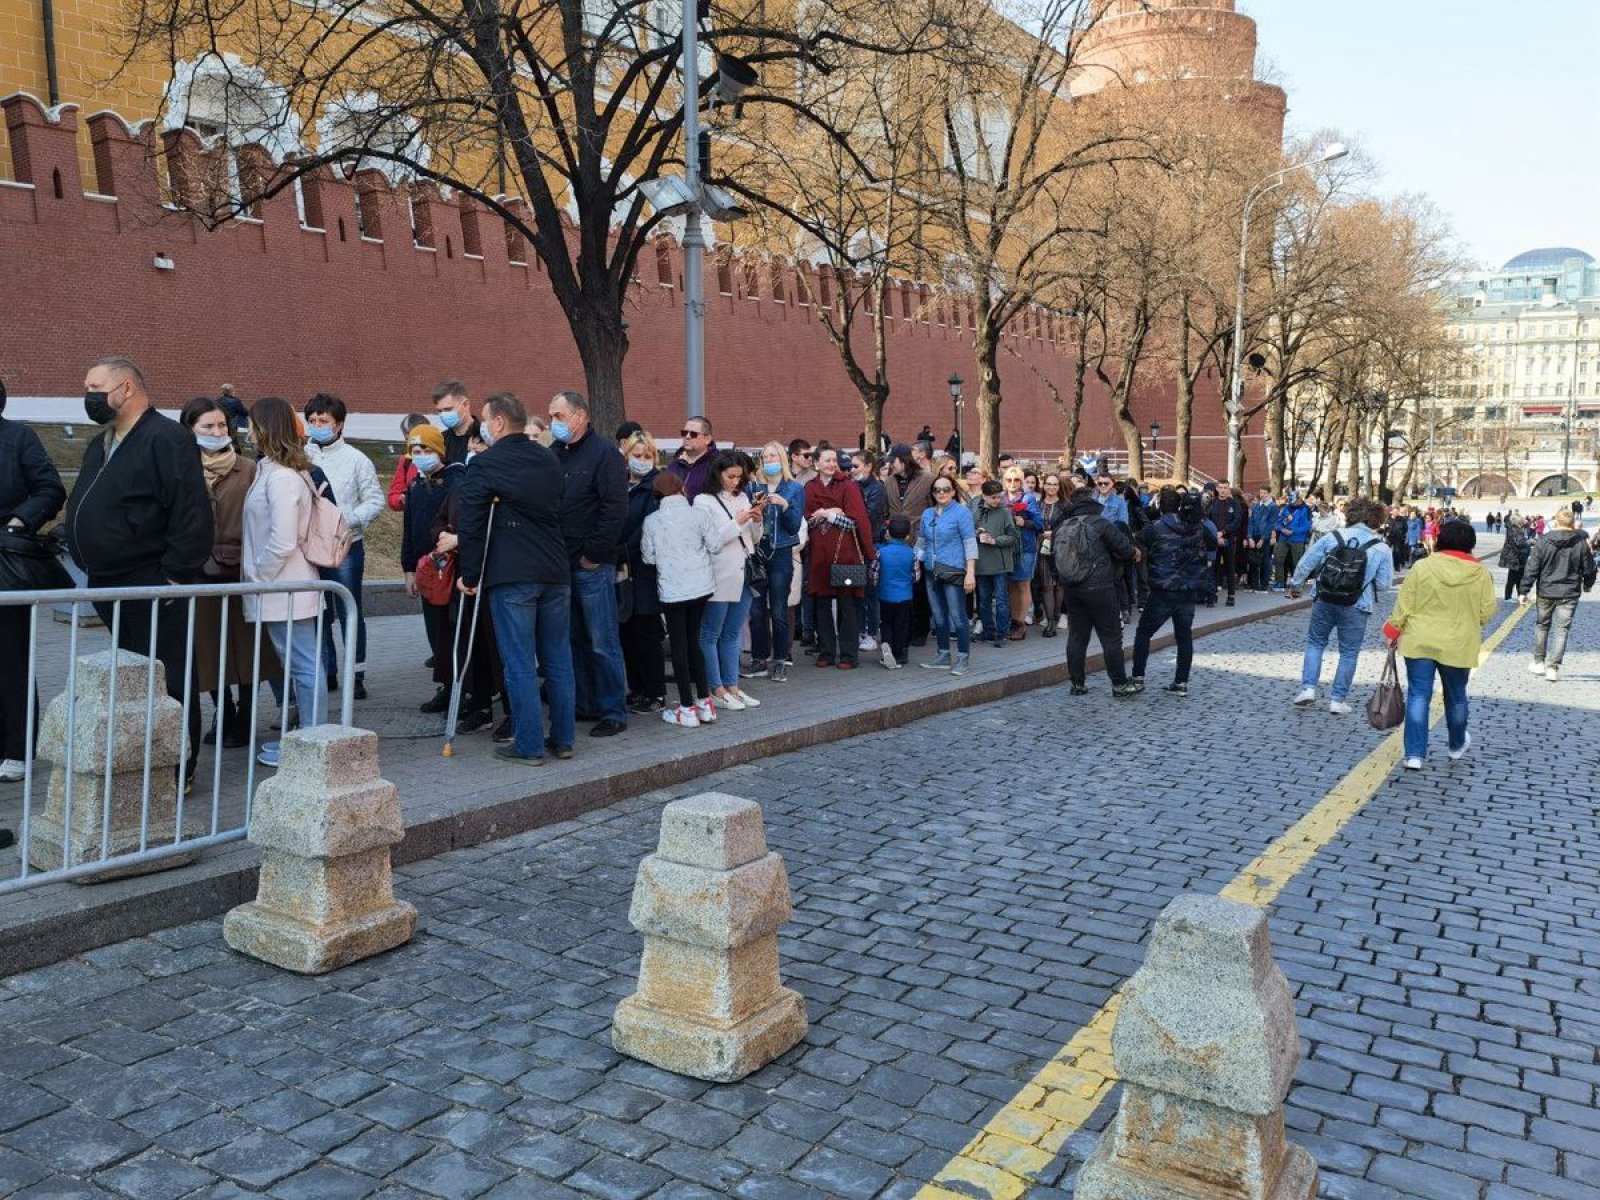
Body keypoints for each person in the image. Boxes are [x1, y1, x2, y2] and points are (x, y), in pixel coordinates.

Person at [65, 356, 212, 777]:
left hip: (152, 584)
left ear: (126, 389)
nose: (89, 397)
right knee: (132, 679)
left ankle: (178, 769)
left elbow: (190, 511)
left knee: (170, 677)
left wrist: (173, 576)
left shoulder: (165, 438)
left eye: (95, 388)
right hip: (109, 584)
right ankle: (141, 760)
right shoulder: (105, 441)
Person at [454, 394, 573, 765]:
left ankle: (529, 744)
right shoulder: (550, 459)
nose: (483, 426)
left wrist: (469, 575)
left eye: (486, 420)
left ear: (500, 423)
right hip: (555, 570)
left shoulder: (486, 464)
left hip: (512, 574)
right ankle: (564, 739)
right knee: (557, 659)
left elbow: (471, 524)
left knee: (519, 662)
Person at [181, 396, 280, 750]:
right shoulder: (182, 468)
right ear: (190, 429)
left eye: (221, 425)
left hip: (243, 571)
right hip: (199, 574)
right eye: (207, 426)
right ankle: (222, 710)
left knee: (250, 649)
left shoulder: (250, 468)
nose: (216, 432)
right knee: (209, 650)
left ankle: (246, 712)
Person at [240, 397, 330, 769]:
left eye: (252, 425)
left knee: (305, 666)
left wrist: (257, 576)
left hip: (283, 587)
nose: (248, 432)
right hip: (283, 586)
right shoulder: (274, 471)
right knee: (301, 665)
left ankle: (314, 745)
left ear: (265, 428)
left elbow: (282, 540)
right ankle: (309, 741)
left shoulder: (281, 478)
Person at [1384, 520, 1496, 771]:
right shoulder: (1480, 573)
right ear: (1470, 544)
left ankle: (1414, 753)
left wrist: (1392, 631)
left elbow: (1405, 604)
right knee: (1456, 697)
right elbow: (1486, 611)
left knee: (1418, 696)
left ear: (1441, 539)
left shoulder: (1422, 566)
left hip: (1420, 640)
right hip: (1458, 643)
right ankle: (1456, 745)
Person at [0, 378, 67, 794]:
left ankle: (16, 749)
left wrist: (18, 521)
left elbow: (50, 488)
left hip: (5, 562)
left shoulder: (18, 437)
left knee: (10, 657)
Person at [549, 390, 629, 736]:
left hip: (592, 564)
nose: (554, 423)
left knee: (602, 639)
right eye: (551, 417)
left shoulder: (605, 455)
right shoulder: (553, 455)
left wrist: (594, 555)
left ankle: (613, 709)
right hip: (559, 564)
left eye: (558, 416)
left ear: (580, 416)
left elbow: (614, 509)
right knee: (573, 639)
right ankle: (585, 702)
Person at [302, 393, 383, 700]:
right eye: (312, 421)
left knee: (350, 610)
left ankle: (356, 672)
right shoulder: (301, 457)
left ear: (339, 424)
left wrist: (345, 522)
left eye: (324, 421)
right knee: (317, 612)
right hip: (310, 549)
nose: (317, 426)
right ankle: (328, 670)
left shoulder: (357, 459)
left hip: (347, 545)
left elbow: (374, 500)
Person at [1288, 498, 1394, 714]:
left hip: (1325, 598)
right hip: (1357, 604)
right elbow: (1383, 585)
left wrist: (1296, 586)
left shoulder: (1332, 536)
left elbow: (1306, 562)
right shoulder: (1381, 548)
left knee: (1316, 643)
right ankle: (1337, 700)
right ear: (1376, 519)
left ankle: (1308, 688)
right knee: (1349, 652)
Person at [642, 473, 722, 728]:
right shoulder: (698, 514)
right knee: (694, 643)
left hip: (673, 591)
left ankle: (686, 708)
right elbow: (716, 545)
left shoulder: (652, 521)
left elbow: (649, 558)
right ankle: (704, 702)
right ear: (682, 489)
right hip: (700, 587)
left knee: (679, 648)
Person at [401, 423, 468, 716]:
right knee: (434, 633)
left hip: (449, 567)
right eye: (415, 451)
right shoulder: (415, 484)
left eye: (425, 449)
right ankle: (446, 685)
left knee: (451, 631)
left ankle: (463, 688)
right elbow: (408, 528)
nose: (420, 455)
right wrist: (407, 569)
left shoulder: (454, 482)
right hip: (425, 569)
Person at [1052, 479, 1139, 697]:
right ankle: (1119, 684)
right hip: (1100, 588)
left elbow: (1054, 561)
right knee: (1111, 637)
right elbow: (1125, 549)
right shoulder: (1101, 524)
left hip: (1072, 589)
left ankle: (1077, 684)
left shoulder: (1062, 526)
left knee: (1077, 637)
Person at [694, 450, 763, 711]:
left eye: (739, 476)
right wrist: (738, 522)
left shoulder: (743, 496)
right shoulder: (703, 501)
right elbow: (710, 540)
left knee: (733, 632)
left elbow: (753, 539)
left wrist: (756, 520)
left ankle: (732, 685)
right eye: (730, 476)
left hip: (744, 572)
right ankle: (716, 688)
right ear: (717, 474)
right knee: (711, 633)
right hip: (719, 573)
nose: (735, 481)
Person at [1131, 488, 1217, 696]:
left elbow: (1137, 540)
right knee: (1184, 637)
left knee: (1143, 633)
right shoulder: (1198, 527)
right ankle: (1181, 683)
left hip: (1163, 591)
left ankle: (1138, 678)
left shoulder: (1156, 528)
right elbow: (1213, 542)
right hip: (1188, 591)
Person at [804, 447, 875, 668]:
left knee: (847, 604)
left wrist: (829, 514)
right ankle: (826, 652)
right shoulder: (810, 487)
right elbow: (806, 520)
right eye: (826, 460)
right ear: (816, 463)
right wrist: (827, 514)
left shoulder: (848, 486)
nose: (831, 464)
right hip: (819, 555)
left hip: (845, 555)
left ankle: (848, 655)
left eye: (834, 460)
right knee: (821, 605)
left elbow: (855, 521)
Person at [747, 442, 805, 682]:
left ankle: (780, 659)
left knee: (779, 609)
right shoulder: (754, 487)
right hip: (758, 553)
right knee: (757, 610)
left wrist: (785, 505)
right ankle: (759, 659)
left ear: (781, 459)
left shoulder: (793, 488)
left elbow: (794, 526)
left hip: (781, 553)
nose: (769, 460)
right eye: (765, 456)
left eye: (773, 456)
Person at [618, 431, 666, 713]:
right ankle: (636, 688)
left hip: (644, 568)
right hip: (621, 568)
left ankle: (655, 691)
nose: (643, 461)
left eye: (647, 456)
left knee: (646, 631)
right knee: (626, 630)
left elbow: (650, 528)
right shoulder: (621, 485)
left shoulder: (655, 488)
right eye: (637, 456)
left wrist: (622, 549)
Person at [1519, 507, 1596, 682]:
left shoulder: (1543, 541)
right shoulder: (1581, 543)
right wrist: (1588, 585)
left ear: (1555, 522)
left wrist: (1524, 590)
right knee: (1562, 629)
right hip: (1569, 592)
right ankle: (1553, 667)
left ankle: (1538, 662)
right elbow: (1590, 569)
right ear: (1572, 524)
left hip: (1546, 590)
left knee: (1542, 626)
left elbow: (1532, 568)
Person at [917, 475, 977, 675]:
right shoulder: (927, 514)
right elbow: (922, 541)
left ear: (953, 491)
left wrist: (970, 574)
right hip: (930, 570)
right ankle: (943, 654)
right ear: (932, 493)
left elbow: (970, 542)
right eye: (937, 490)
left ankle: (962, 657)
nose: (941, 493)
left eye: (945, 489)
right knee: (938, 616)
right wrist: (915, 561)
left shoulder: (962, 513)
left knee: (957, 616)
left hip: (953, 569)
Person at [973, 480, 1019, 649]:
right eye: (993, 498)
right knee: (984, 599)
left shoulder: (1004, 511)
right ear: (984, 496)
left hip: (1000, 562)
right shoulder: (976, 510)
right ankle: (988, 630)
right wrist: (976, 533)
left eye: (999, 497)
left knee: (1001, 600)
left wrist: (995, 540)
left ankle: (1001, 633)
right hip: (982, 562)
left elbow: (1013, 537)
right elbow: (968, 530)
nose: (997, 501)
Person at [851, 449, 889, 652]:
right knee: (856, 588)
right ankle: (859, 629)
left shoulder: (877, 488)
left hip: (870, 543)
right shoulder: (853, 485)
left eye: (856, 466)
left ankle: (871, 632)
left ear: (868, 466)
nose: (852, 470)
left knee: (870, 591)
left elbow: (868, 516)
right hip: (854, 543)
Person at [1001, 467, 1042, 640]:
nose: (1012, 483)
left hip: (1025, 547)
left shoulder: (1028, 498)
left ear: (1021, 481)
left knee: (1023, 584)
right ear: (1004, 481)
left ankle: (1020, 623)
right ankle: (1014, 619)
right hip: (1006, 547)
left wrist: (1024, 522)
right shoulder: (1000, 499)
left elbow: (1039, 523)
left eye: (1016, 480)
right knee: (1011, 585)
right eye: (1009, 480)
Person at [876, 515, 916, 669]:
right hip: (905, 594)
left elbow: (874, 573)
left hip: (886, 594)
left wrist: (876, 584)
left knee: (886, 623)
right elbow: (915, 575)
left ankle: (887, 647)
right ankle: (900, 654)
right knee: (902, 624)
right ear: (907, 536)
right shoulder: (910, 552)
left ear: (888, 533)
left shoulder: (881, 552)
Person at [1035, 472, 1069, 637]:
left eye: (1055, 484)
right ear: (1044, 485)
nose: (1052, 487)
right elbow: (1033, 524)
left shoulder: (1065, 506)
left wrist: (1053, 533)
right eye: (1049, 483)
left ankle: (1056, 616)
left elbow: (1070, 527)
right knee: (1047, 585)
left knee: (1059, 586)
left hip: (1061, 549)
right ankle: (1050, 622)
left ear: (1059, 487)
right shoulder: (1037, 504)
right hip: (1042, 549)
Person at [662, 415, 719, 502]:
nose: (687, 437)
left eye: (693, 434)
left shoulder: (718, 465)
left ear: (707, 439)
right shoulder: (673, 466)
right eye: (684, 433)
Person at [1210, 481, 1246, 607]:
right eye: (1221, 488)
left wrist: (1224, 532)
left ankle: (1231, 595)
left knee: (1230, 567)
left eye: (1225, 488)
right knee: (1213, 567)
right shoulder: (1212, 502)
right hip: (1214, 539)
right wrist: (1215, 534)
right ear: (1217, 489)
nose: (1223, 490)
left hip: (1229, 540)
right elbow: (1208, 520)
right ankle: (1212, 594)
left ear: (1228, 489)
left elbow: (1237, 521)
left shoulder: (1235, 503)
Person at [386, 414, 431, 511]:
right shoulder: (406, 461)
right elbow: (393, 495)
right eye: (407, 439)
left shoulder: (441, 458)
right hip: (414, 520)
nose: (411, 443)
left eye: (414, 438)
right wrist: (400, 500)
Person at [1271, 492, 1312, 590]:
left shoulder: (1306, 510)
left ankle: (1297, 583)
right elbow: (1278, 522)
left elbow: (1307, 526)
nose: (1292, 503)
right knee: (1278, 559)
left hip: (1297, 539)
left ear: (1299, 499)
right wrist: (1281, 529)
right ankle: (1279, 582)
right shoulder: (1286, 508)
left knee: (1297, 562)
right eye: (1290, 501)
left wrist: (1293, 531)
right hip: (1284, 538)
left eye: (1293, 501)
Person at [432, 380, 476, 465]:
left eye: (448, 409)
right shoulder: (440, 441)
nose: (443, 415)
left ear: (465, 405)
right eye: (440, 411)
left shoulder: (486, 438)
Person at [1244, 487, 1277, 592]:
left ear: (1269, 494)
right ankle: (1253, 583)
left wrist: (1263, 539)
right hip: (1254, 536)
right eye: (1261, 492)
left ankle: (1264, 583)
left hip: (1264, 537)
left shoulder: (1272, 507)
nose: (1262, 495)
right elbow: (1251, 522)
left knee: (1264, 561)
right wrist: (1249, 537)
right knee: (1252, 559)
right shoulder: (1256, 506)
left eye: (1265, 493)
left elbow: (1270, 524)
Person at [1498, 516, 1531, 601]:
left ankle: (1518, 595)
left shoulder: (1514, 528)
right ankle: (1509, 596)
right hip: (1515, 557)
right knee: (1514, 577)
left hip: (1516, 556)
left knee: (1517, 577)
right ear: (1518, 522)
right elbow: (1519, 543)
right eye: (1522, 520)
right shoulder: (1515, 529)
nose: (1524, 521)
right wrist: (1529, 542)